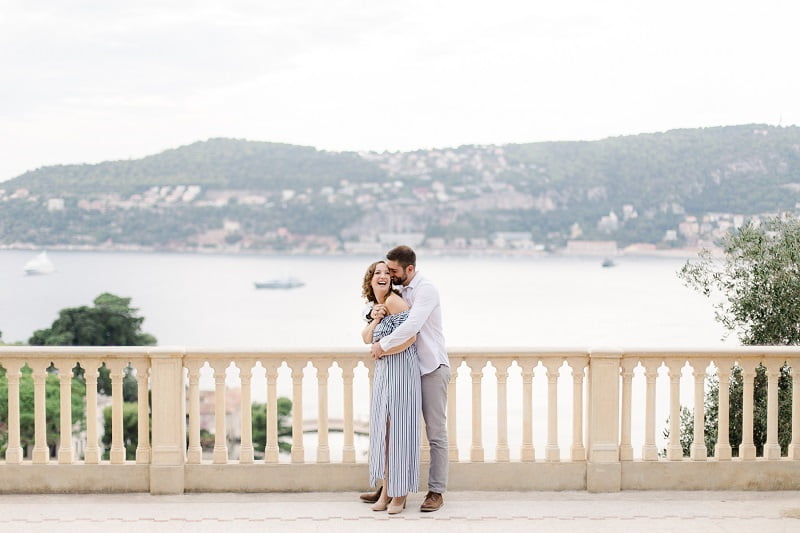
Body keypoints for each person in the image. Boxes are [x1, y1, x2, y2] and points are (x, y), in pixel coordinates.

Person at [363, 245, 450, 513]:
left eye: (393, 271)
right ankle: (390, 486)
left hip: (432, 367)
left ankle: (436, 491)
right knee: (397, 430)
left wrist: (382, 346)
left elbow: (412, 327)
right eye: (385, 271)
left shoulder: (425, 289)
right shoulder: (398, 291)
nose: (390, 274)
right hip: (408, 370)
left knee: (435, 432)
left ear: (409, 269)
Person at [361, 260, 421, 515]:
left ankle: (400, 494)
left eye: (387, 272)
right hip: (385, 372)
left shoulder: (396, 302)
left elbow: (411, 337)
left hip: (402, 370)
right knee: (384, 432)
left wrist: (383, 348)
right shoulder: (375, 306)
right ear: (371, 279)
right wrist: (375, 319)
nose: (383, 276)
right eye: (378, 273)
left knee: (399, 432)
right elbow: (365, 337)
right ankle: (386, 490)